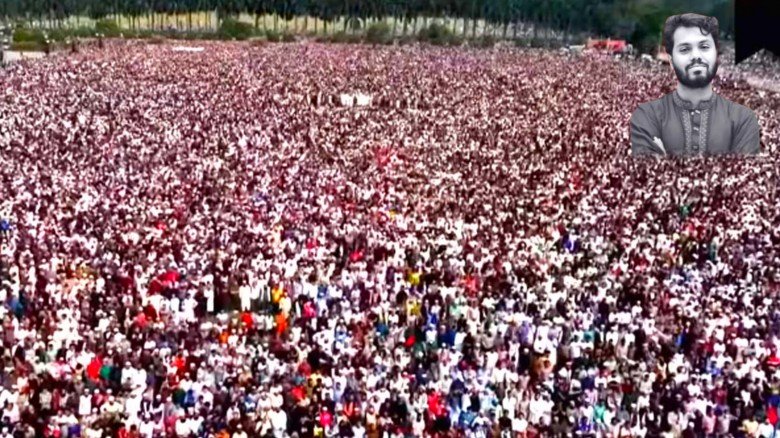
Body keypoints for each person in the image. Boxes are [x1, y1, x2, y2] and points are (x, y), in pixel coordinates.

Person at [630, 13, 762, 157]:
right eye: (685, 49)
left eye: (704, 47)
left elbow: (747, 171)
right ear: (671, 61)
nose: (696, 56)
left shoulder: (743, 120)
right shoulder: (647, 116)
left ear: (717, 56)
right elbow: (642, 171)